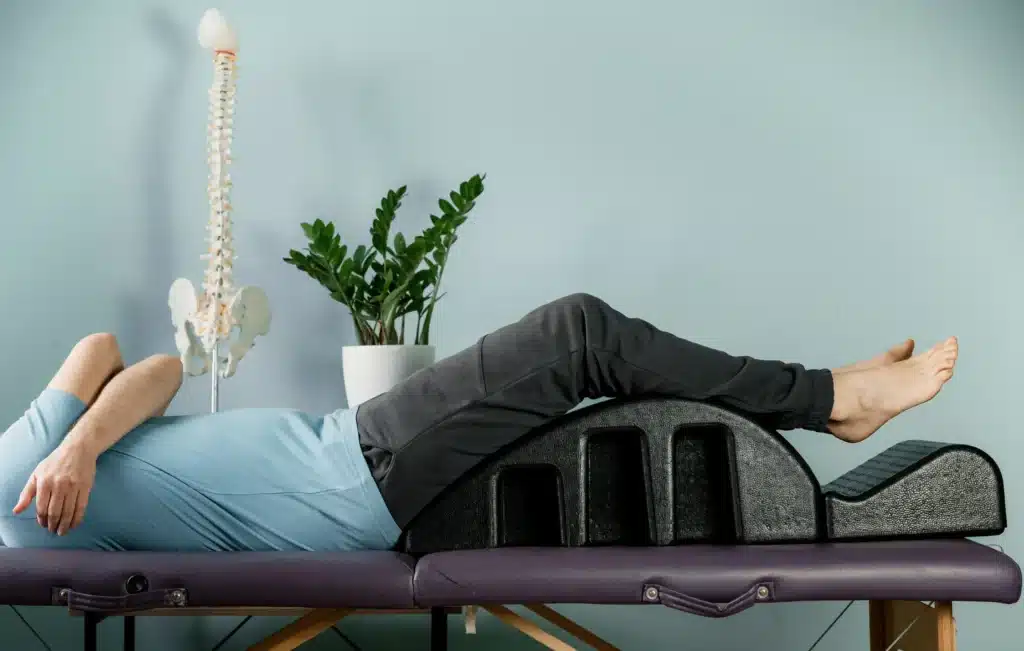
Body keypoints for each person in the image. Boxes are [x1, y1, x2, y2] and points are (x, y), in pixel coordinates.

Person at [0, 293, 958, 552]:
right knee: (578, 333)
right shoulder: (8, 500)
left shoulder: (17, 466)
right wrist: (78, 440)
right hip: (352, 479)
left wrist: (80, 442)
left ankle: (827, 395)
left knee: (580, 341)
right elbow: (122, 362)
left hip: (352, 448)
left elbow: (141, 359)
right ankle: (834, 399)